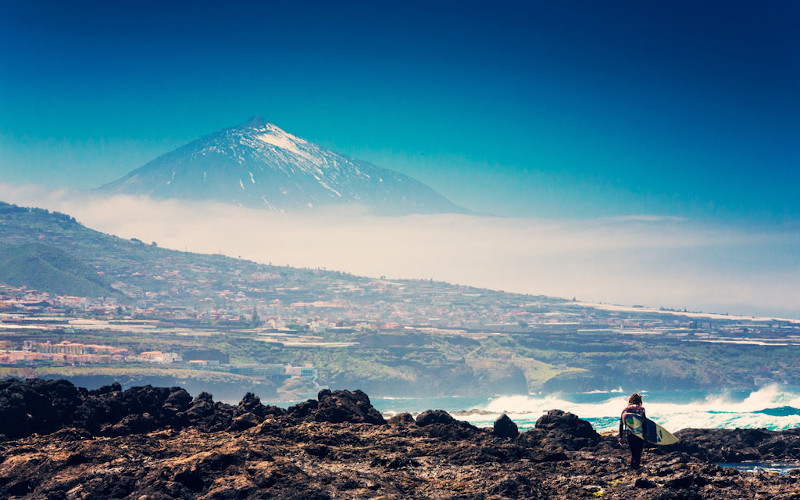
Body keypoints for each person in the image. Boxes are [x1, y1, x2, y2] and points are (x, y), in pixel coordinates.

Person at [618, 393, 646, 469]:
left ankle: (633, 467)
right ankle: (637, 467)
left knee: (633, 452)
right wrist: (646, 433)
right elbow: (643, 422)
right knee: (638, 452)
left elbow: (621, 423)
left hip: (630, 433)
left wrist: (620, 437)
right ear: (639, 400)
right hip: (639, 433)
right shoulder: (641, 409)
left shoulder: (625, 410)